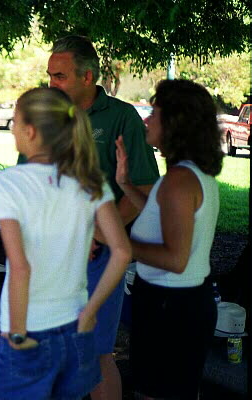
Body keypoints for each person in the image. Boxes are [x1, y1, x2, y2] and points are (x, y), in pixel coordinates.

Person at [0, 87, 131, 400]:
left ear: (31, 131)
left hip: (30, 327)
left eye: (15, 122)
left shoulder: (6, 184)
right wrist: (90, 311)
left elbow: (20, 268)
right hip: (77, 326)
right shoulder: (90, 182)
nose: (12, 130)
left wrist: (18, 335)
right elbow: (122, 251)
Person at [46, 35, 159, 400]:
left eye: (59, 76)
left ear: (87, 76)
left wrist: (98, 236)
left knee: (95, 352)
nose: (51, 84)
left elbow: (142, 189)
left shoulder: (121, 118)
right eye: (49, 75)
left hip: (99, 256)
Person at [116, 80, 223, 399]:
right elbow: (160, 216)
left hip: (170, 308)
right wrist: (125, 185)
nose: (147, 120)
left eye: (155, 113)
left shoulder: (179, 181)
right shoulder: (188, 174)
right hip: (180, 304)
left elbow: (176, 259)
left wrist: (119, 244)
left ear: (176, 123)